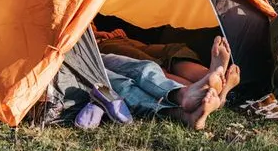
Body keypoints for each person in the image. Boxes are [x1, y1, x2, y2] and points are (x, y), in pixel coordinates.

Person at [95, 27, 241, 107]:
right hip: (103, 43)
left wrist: (116, 31)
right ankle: (202, 90)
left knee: (173, 50)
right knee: (148, 63)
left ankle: (209, 75)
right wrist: (98, 33)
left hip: (122, 37)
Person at [99, 53, 223, 130]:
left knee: (143, 67)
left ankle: (182, 93)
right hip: (81, 58)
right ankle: (183, 114)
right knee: (117, 84)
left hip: (93, 50)